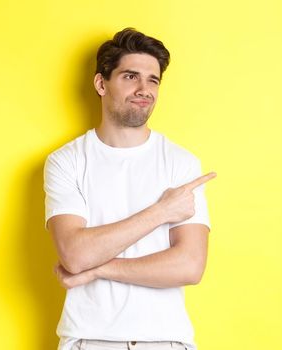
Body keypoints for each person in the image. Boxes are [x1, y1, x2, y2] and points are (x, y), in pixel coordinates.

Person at [43, 28, 215, 350]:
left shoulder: (181, 163)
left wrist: (98, 269)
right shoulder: (66, 161)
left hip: (165, 340)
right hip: (90, 340)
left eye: (153, 80)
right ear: (101, 83)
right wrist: (162, 211)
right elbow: (75, 254)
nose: (144, 89)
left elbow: (190, 265)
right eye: (131, 76)